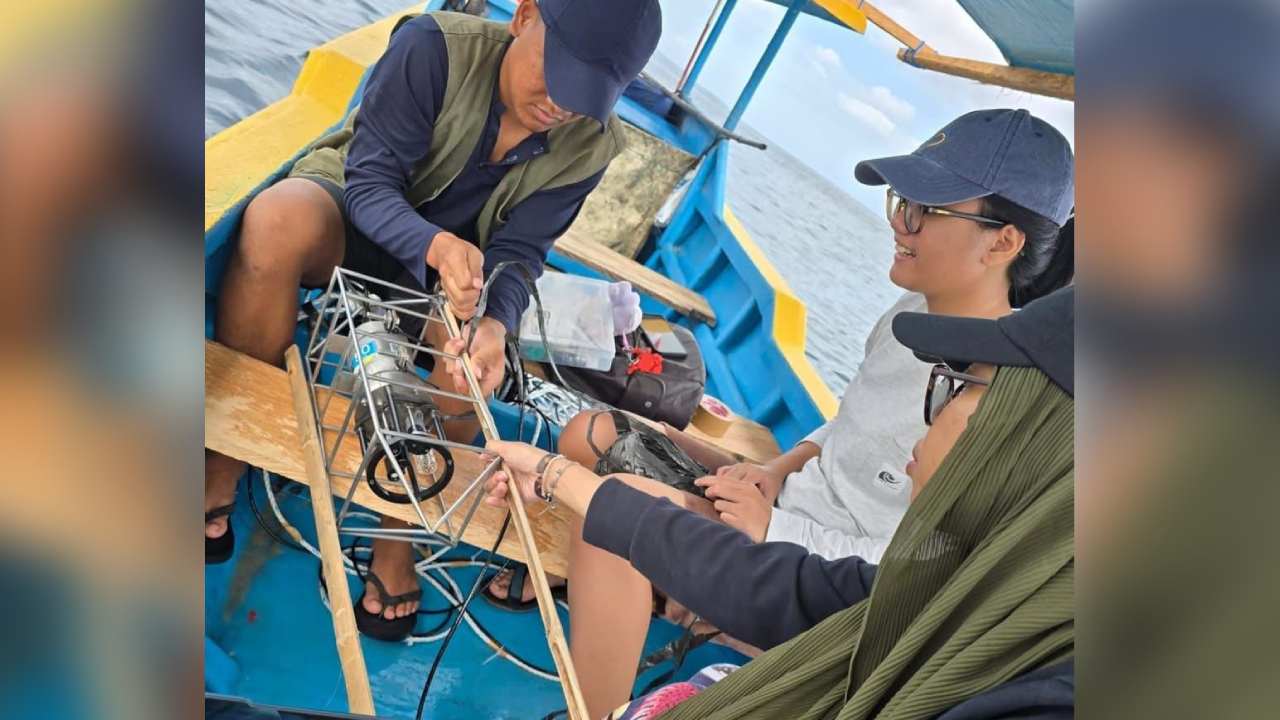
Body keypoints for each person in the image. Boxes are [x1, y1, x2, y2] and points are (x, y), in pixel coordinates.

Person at [486, 107, 1074, 609]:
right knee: (591, 431)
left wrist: (776, 527)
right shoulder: (908, 311)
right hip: (780, 501)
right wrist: (774, 471)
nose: (899, 223)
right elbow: (847, 425)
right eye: (901, 201)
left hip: (811, 566)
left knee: (615, 511)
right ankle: (619, 590)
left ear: (1003, 240)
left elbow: (922, 560)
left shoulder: (991, 392)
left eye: (925, 210)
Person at [204, 0, 663, 642]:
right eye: (557, 72)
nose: (562, 103)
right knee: (275, 221)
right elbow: (368, 183)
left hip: (451, 278)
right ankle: (222, 459)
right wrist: (435, 245)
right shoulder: (431, 47)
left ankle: (400, 530)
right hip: (358, 218)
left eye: (586, 93)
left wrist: (497, 324)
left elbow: (522, 251)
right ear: (524, 16)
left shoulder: (592, 144)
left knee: (469, 352)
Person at [484, 286, 1075, 719]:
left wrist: (770, 524)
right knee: (603, 438)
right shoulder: (957, 579)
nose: (927, 425)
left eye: (957, 389)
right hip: (781, 517)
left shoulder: (1041, 685)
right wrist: (555, 473)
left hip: (789, 532)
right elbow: (790, 587)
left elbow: (780, 582)